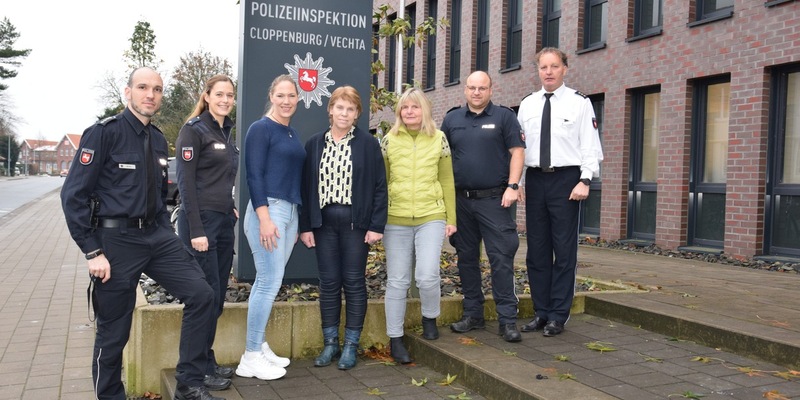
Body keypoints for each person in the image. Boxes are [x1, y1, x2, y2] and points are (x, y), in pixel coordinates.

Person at [61, 67, 227, 400]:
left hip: (156, 235)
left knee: (202, 294)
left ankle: (189, 384)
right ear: (128, 92)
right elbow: (73, 195)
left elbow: (155, 195)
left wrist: (166, 233)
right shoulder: (103, 133)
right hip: (116, 241)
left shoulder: (156, 138)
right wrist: (93, 252)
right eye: (142, 87)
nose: (150, 94)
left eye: (156, 89)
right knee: (113, 334)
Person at [517, 47, 603, 337]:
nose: (549, 72)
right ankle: (541, 312)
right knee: (537, 251)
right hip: (536, 180)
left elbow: (590, 145)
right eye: (543, 67)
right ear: (538, 70)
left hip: (567, 181)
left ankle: (558, 315)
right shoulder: (527, 104)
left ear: (565, 68)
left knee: (563, 251)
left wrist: (586, 180)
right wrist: (515, 183)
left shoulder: (579, 103)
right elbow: (519, 149)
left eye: (554, 66)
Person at [299, 85, 387, 370]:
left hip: (355, 224)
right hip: (323, 223)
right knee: (328, 285)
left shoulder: (367, 144)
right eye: (340, 107)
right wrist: (305, 226)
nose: (344, 113)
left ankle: (350, 345)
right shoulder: (314, 143)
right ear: (330, 110)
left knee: (353, 282)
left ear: (357, 113)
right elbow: (305, 187)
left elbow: (379, 187)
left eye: (350, 109)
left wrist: (375, 225)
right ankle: (330, 344)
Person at [440, 71, 525, 343]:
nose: (477, 93)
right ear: (465, 90)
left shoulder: (505, 117)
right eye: (472, 88)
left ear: (491, 90)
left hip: (494, 200)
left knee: (501, 259)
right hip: (460, 201)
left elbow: (517, 152)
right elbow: (441, 158)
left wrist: (513, 186)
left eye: (482, 88)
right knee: (466, 259)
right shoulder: (452, 119)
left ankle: (508, 320)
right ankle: (473, 314)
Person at [235, 74, 305, 381]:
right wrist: (264, 218)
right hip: (270, 211)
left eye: (292, 96)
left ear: (297, 99)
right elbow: (255, 176)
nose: (287, 101)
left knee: (271, 280)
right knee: (268, 281)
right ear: (271, 96)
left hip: (289, 211)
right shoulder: (260, 129)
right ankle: (250, 356)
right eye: (281, 95)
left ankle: (258, 345)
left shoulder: (289, 133)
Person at [380, 87, 456, 363]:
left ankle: (430, 317)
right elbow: (383, 183)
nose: (409, 112)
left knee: (426, 275)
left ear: (424, 110)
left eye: (415, 107)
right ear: (399, 112)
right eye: (404, 107)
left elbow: (447, 180)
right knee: (397, 281)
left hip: (431, 216)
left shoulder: (439, 139)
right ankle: (395, 337)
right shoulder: (389, 140)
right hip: (395, 218)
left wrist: (451, 219)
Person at [175, 75, 239, 382]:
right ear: (207, 96)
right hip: (199, 226)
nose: (225, 100)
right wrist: (197, 230)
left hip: (223, 222)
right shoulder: (194, 130)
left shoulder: (227, 131)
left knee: (216, 297)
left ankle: (206, 359)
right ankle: (196, 371)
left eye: (230, 95)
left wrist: (230, 207)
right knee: (204, 297)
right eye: (220, 94)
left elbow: (220, 179)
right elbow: (186, 184)